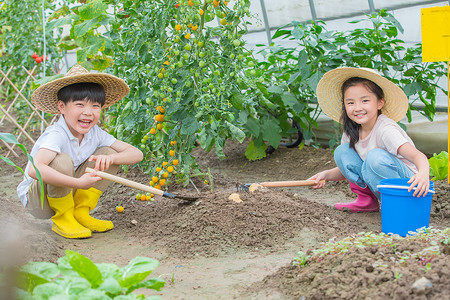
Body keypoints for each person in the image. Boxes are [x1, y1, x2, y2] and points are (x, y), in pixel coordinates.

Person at [17, 64, 143, 238]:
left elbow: (136, 154)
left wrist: (112, 158)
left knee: (107, 153)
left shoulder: (95, 133)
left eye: (95, 106)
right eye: (80, 104)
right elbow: (34, 169)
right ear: (62, 107)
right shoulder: (56, 134)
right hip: (39, 202)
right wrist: (78, 183)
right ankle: (63, 217)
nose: (88, 113)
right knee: (61, 160)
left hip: (67, 191)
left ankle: (80, 212)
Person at [309, 67, 430, 213]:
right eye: (350, 103)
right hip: (383, 185)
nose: (357, 108)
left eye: (365, 100)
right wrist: (326, 175)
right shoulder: (351, 130)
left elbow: (418, 157)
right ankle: (367, 200)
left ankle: (400, 206)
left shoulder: (386, 130)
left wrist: (423, 175)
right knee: (342, 152)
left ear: (380, 103)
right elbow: (353, 168)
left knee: (375, 157)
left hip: (410, 186)